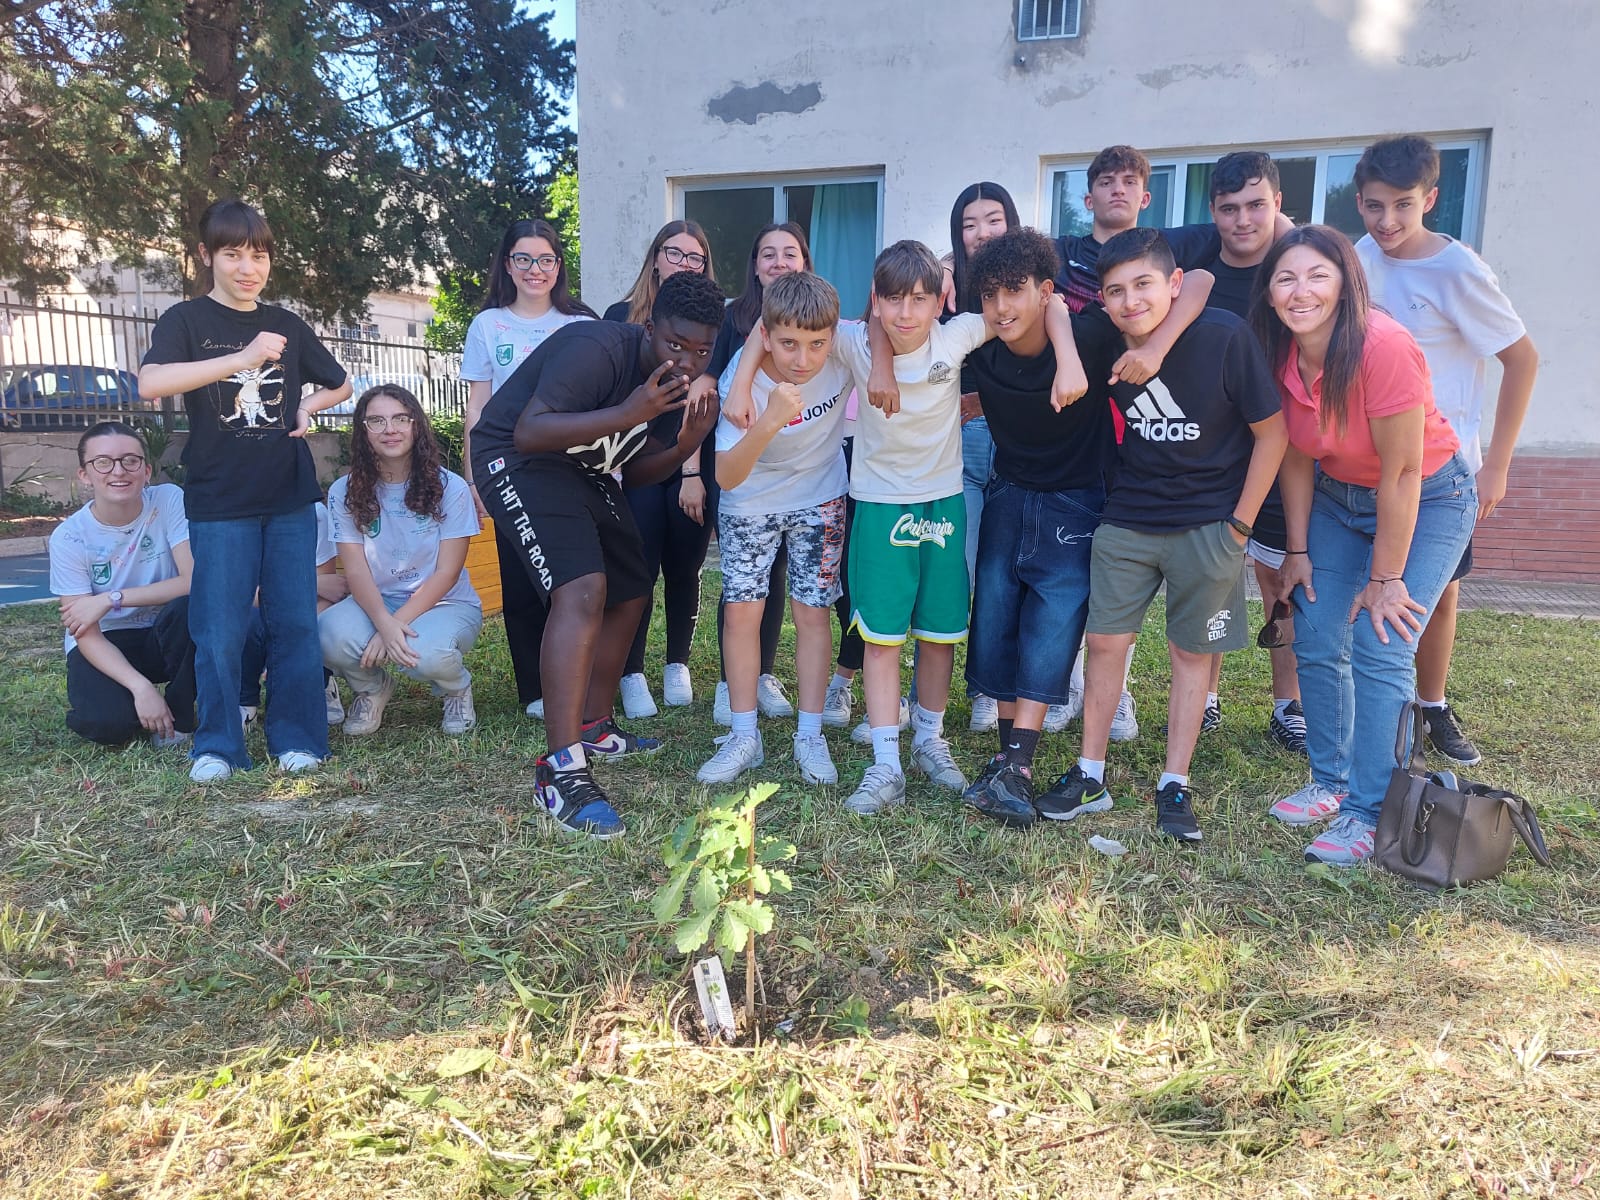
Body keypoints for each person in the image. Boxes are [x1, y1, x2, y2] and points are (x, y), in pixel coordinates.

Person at [1036, 228, 1286, 843]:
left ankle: (1175, 781)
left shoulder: (1223, 335)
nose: (1130, 301)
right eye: (1115, 290)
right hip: (1127, 521)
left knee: (1190, 655)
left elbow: (1273, 434)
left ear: (1172, 286)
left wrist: (1240, 526)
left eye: (1144, 285)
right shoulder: (1104, 340)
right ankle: (1089, 773)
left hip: (1209, 526)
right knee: (1105, 645)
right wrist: (1070, 356)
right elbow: (1052, 313)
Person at [832, 239, 1086, 816]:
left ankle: (929, 740)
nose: (905, 314)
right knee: (881, 639)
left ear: (941, 298)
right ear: (875, 300)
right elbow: (780, 324)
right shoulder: (854, 342)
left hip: (944, 506)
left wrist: (1069, 358)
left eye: (919, 299)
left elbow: (1050, 306)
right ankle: (884, 763)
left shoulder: (959, 334)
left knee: (942, 633)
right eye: (892, 300)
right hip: (879, 507)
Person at [471, 270, 725, 839]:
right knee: (582, 588)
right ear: (650, 325)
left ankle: (589, 723)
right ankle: (559, 769)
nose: (685, 360)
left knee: (631, 584)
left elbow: (631, 471)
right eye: (674, 343)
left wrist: (685, 442)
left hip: (580, 467)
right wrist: (631, 411)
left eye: (700, 349)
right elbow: (530, 433)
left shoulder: (671, 388)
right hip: (513, 457)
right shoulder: (597, 347)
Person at [1254, 224, 1476, 866]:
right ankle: (1332, 781)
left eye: (1317, 276)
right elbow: (1296, 457)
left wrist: (1385, 579)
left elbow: (1404, 473)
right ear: (1269, 293)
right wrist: (1295, 550)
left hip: (1427, 496)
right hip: (1337, 496)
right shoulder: (1279, 351)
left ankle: (1372, 810)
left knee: (1383, 641)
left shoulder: (1383, 345)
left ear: (1346, 283)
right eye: (1286, 278)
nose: (1301, 291)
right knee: (1318, 629)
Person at [138, 198, 351, 783]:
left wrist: (308, 403)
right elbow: (151, 382)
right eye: (233, 254)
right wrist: (243, 356)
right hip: (219, 502)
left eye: (258, 255)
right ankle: (217, 747)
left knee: (294, 624)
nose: (246, 267)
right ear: (208, 256)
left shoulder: (286, 323)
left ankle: (299, 739)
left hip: (288, 497)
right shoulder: (185, 320)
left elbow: (341, 382)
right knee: (219, 629)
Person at [1353, 135, 1538, 768]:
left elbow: (1522, 359)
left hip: (1442, 470)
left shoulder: (1458, 270)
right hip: (1366, 463)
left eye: (1403, 205)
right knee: (1369, 581)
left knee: (1434, 590)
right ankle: (1369, 711)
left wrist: (1496, 465)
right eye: (1375, 206)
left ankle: (1430, 705)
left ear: (1430, 198)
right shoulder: (1357, 259)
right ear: (1359, 203)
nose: (1388, 222)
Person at [957, 230, 1118, 826]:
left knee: (1053, 622)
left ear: (1046, 290)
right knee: (996, 612)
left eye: (1016, 291)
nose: (1002, 306)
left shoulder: (1090, 338)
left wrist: (1069, 349)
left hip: (1076, 503)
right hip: (1008, 493)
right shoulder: (981, 348)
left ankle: (1018, 761)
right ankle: (1008, 760)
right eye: (990, 294)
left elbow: (1198, 283)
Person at [701, 272, 852, 787]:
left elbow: (883, 330)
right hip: (751, 501)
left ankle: (809, 733)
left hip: (820, 496)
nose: (803, 359)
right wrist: (766, 418)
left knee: (812, 614)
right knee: (743, 612)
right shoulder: (738, 383)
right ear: (764, 336)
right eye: (788, 343)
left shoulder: (842, 351)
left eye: (816, 344)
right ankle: (744, 734)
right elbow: (725, 475)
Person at [460, 218, 595, 721]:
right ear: (507, 265)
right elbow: (477, 406)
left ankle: (580, 680)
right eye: (523, 259)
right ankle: (535, 690)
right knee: (519, 578)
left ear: (558, 266)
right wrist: (475, 475)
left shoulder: (579, 324)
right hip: (506, 467)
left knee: (573, 576)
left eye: (545, 259)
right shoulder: (488, 325)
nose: (534, 269)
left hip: (568, 465)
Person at [1202, 150, 1307, 753]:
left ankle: (1287, 704)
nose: (1243, 220)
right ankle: (1207, 697)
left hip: (1283, 448)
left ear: (1277, 204)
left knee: (1279, 582)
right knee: (1211, 580)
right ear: (1213, 212)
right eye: (1229, 209)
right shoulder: (1197, 266)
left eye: (1256, 206)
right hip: (1213, 451)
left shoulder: (1293, 268)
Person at [602, 221, 720, 719]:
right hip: (636, 463)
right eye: (675, 254)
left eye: (695, 258)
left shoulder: (718, 320)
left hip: (691, 459)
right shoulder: (620, 316)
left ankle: (677, 663)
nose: (684, 264)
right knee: (638, 567)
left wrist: (691, 473)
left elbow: (704, 390)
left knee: (686, 566)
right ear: (656, 258)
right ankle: (630, 672)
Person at [321, 385, 484, 735]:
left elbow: (447, 572)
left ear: (416, 425)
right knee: (327, 634)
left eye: (399, 418)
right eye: (376, 421)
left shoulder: (450, 487)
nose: (389, 429)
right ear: (363, 431)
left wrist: (393, 626)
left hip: (445, 603)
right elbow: (356, 569)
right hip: (376, 601)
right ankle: (372, 688)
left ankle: (455, 688)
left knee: (426, 653)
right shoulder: (343, 491)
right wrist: (382, 620)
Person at [707, 223, 814, 727]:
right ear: (754, 266)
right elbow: (715, 372)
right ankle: (734, 683)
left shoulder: (820, 327)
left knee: (793, 589)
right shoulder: (734, 319)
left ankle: (765, 674)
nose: (778, 262)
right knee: (746, 585)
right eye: (767, 253)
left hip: (807, 481)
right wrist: (739, 384)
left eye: (789, 253)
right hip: (745, 462)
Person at [49, 423, 198, 746]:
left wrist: (110, 598)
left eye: (130, 460)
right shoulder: (69, 537)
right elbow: (84, 629)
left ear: (146, 470)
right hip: (106, 640)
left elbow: (192, 581)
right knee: (110, 726)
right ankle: (130, 701)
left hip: (163, 631)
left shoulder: (168, 500)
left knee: (194, 608)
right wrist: (140, 688)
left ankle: (181, 715)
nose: (118, 471)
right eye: (103, 462)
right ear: (84, 474)